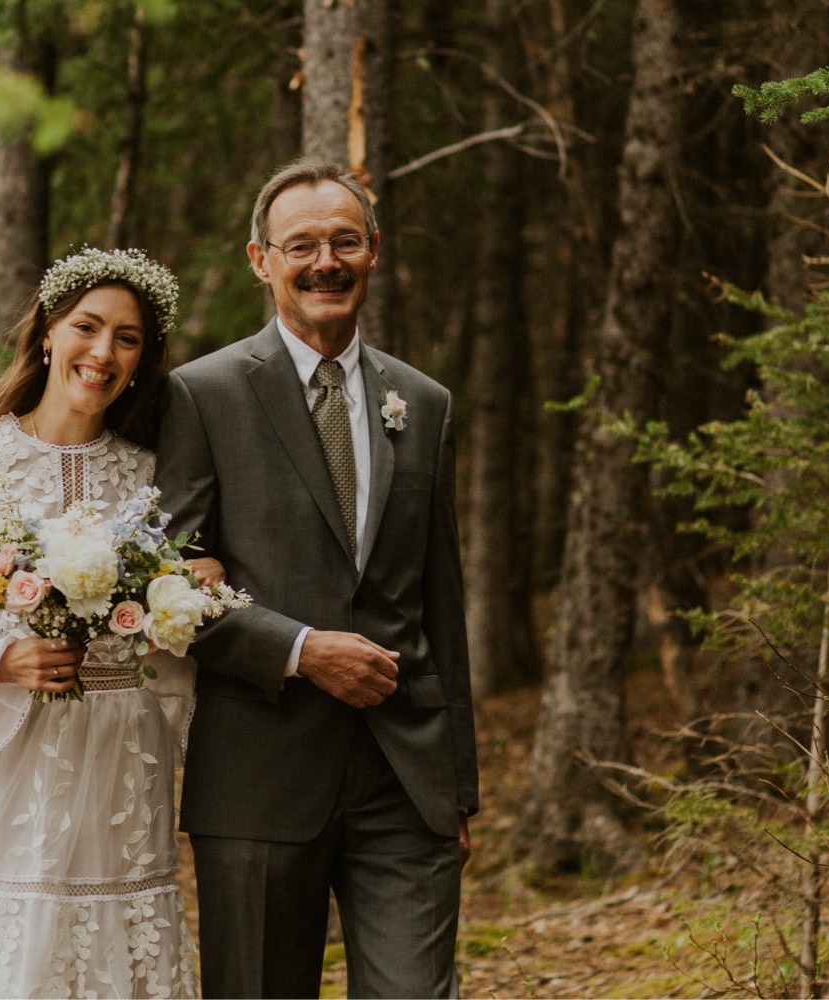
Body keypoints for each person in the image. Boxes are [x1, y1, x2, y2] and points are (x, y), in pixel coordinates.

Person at [154, 160, 479, 998]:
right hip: (260, 769)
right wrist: (299, 650)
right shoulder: (202, 394)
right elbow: (168, 588)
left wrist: (457, 785)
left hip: (404, 775)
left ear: (373, 250)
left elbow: (442, 598)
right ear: (261, 260)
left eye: (343, 241)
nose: (323, 261)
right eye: (301, 245)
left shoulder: (424, 402)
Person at [0, 247, 206, 999]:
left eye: (129, 339)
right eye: (89, 326)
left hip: (122, 753)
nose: (103, 352)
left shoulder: (152, 474)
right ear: (49, 331)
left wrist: (186, 600)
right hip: (7, 752)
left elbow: (180, 620)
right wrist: (2, 659)